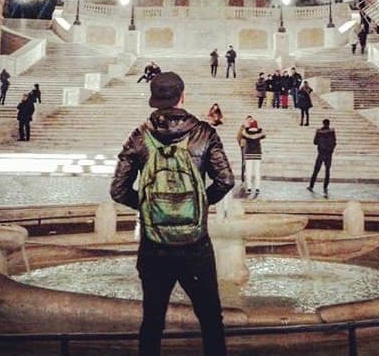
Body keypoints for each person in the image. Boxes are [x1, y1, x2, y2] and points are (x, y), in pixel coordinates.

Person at [110, 71, 234, 356]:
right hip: (196, 246)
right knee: (211, 320)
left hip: (154, 246)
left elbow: (118, 190)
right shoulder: (205, 133)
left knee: (152, 321)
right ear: (182, 97)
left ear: (154, 100)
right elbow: (226, 180)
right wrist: (200, 206)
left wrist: (147, 207)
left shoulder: (139, 136)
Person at [308, 119, 337, 197]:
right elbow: (334, 142)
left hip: (321, 154)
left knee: (316, 170)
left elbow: (315, 142)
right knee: (327, 171)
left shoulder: (319, 132)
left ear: (323, 123)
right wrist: (331, 150)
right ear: (329, 124)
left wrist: (317, 134)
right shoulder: (332, 132)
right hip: (328, 154)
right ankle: (325, 187)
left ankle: (311, 185)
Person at [241, 119, 266, 198]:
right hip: (257, 154)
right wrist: (260, 129)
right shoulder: (259, 133)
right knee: (257, 171)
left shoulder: (246, 133)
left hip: (249, 154)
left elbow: (242, 134)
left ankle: (249, 188)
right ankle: (257, 187)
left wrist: (245, 128)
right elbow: (264, 134)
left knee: (248, 171)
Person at [236, 115, 254, 187]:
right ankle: (243, 178)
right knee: (244, 162)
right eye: (248, 120)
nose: (249, 121)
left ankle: (249, 178)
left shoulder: (253, 128)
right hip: (244, 145)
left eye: (251, 120)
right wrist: (241, 144)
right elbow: (238, 136)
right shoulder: (243, 127)